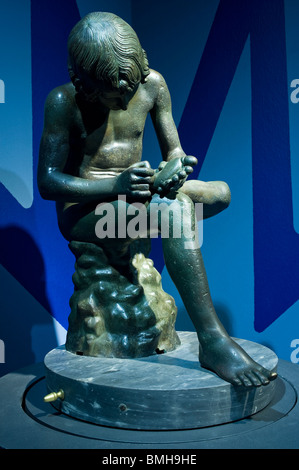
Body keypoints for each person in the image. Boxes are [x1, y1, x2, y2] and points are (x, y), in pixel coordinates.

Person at [38, 12, 277, 387]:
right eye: (113, 95)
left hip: (138, 192)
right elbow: (49, 183)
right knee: (174, 211)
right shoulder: (63, 102)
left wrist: (175, 169)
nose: (126, 100)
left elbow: (175, 151)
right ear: (82, 80)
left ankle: (161, 212)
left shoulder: (153, 86)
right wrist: (114, 186)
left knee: (219, 194)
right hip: (86, 210)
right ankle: (213, 339)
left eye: (130, 91)